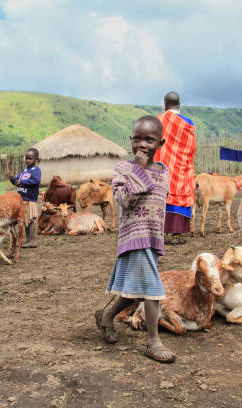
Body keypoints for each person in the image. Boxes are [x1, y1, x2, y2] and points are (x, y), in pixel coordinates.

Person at [95, 115, 176, 364]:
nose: (142, 144)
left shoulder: (163, 172)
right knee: (152, 290)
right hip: (133, 237)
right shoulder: (123, 169)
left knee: (133, 293)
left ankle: (107, 316)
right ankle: (154, 342)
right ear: (131, 140)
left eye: (149, 140)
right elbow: (124, 201)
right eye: (137, 139)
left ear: (160, 143)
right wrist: (138, 169)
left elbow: (160, 206)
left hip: (151, 239)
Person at [154, 91, 196, 245]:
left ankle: (159, 234)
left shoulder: (157, 121)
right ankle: (176, 235)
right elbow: (191, 149)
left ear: (164, 104)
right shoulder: (187, 123)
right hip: (180, 168)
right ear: (179, 104)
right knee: (179, 196)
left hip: (161, 168)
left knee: (160, 197)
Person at [8, 148, 41, 248]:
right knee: (25, 219)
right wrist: (12, 179)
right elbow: (17, 181)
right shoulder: (24, 170)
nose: (28, 160)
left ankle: (32, 241)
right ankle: (28, 240)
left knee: (30, 220)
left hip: (30, 199)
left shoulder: (36, 170)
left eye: (30, 158)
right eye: (26, 158)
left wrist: (21, 182)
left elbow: (36, 181)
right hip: (22, 199)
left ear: (36, 159)